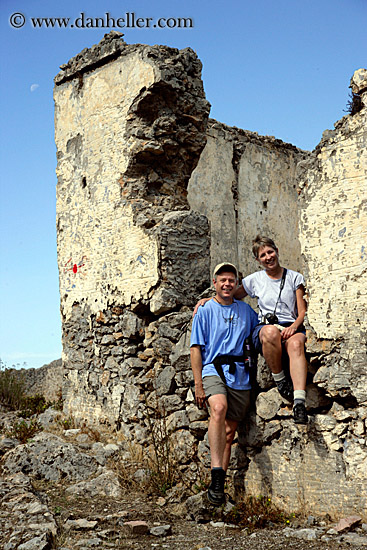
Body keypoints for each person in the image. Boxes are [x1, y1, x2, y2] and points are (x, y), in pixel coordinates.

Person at [194, 236, 308, 425]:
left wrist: (294, 327)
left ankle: (299, 402)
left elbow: (302, 310)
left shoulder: (295, 278)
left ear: (277, 251)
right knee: (270, 332)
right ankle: (280, 380)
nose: (268, 257)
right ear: (257, 260)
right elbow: (229, 296)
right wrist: (208, 300)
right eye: (262, 255)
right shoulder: (254, 280)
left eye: (270, 252)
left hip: (291, 326)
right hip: (266, 328)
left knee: (296, 344)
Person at [190, 262, 259, 506]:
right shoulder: (205, 310)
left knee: (229, 434)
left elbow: (259, 332)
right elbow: (196, 348)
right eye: (223, 280)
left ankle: (219, 487)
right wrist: (198, 384)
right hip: (213, 369)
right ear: (215, 283)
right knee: (217, 408)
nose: (227, 284)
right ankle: (216, 475)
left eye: (232, 280)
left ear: (236, 285)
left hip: (240, 375)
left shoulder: (246, 311)